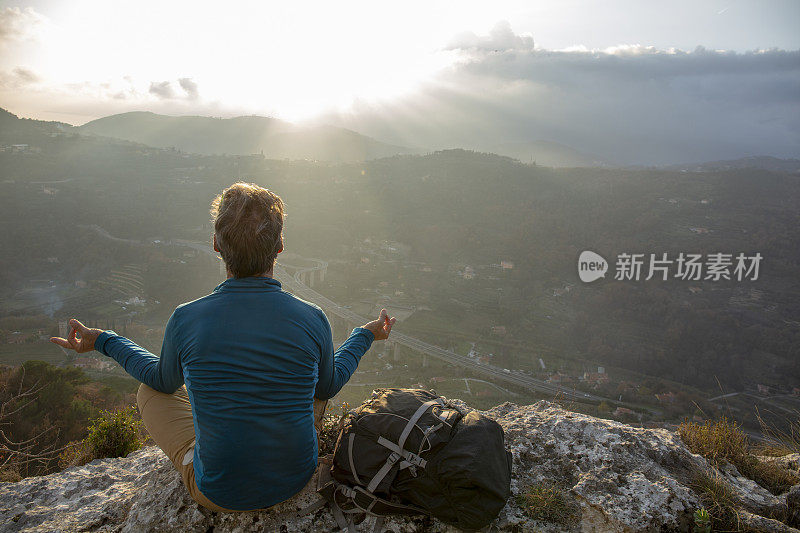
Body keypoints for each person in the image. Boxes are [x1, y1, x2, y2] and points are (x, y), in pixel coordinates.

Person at [51, 182, 396, 512]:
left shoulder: (186, 318)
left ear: (216, 244)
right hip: (296, 478)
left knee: (149, 393)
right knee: (311, 380)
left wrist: (104, 340)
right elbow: (328, 386)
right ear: (279, 247)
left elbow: (162, 381)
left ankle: (201, 458)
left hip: (218, 492)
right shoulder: (312, 317)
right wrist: (364, 335)